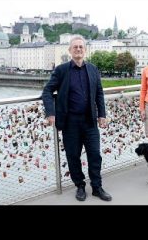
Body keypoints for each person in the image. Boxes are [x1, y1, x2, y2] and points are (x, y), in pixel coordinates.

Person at [42, 35, 112, 202]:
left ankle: (97, 187)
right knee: (73, 156)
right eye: (75, 47)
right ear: (70, 50)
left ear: (85, 49)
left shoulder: (93, 69)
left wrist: (102, 114)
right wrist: (51, 113)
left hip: (90, 120)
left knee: (95, 154)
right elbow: (46, 91)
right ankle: (79, 185)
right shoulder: (61, 70)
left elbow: (99, 94)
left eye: (81, 47)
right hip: (70, 122)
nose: (78, 49)